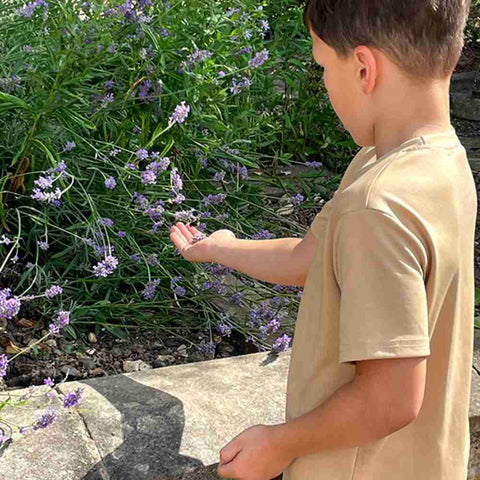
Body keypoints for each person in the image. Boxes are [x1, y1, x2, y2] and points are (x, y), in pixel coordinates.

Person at [169, 1, 477, 478]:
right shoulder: (435, 161)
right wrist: (216, 248)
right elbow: (309, 257)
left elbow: (391, 399)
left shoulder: (377, 205)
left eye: (322, 67)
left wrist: (279, 443)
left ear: (362, 68)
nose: (324, 83)